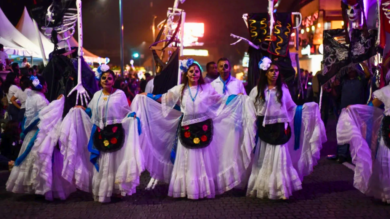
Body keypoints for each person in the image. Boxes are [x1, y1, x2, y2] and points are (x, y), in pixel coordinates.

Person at [134, 59, 251, 199]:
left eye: (197, 71)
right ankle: (187, 188)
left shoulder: (206, 88)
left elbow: (220, 99)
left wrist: (236, 98)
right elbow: (165, 98)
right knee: (187, 160)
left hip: (204, 128)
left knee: (202, 159)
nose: (194, 73)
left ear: (200, 74)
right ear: (186, 74)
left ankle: (203, 188)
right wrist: (148, 96)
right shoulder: (180, 89)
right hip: (187, 128)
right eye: (191, 71)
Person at [62, 67, 144, 203]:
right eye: (104, 78)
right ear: (100, 80)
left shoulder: (120, 95)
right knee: (102, 161)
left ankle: (116, 190)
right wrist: (82, 109)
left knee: (114, 161)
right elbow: (91, 111)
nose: (106, 80)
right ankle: (103, 190)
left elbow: (125, 111)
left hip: (115, 134)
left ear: (114, 81)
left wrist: (132, 116)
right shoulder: (96, 95)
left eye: (109, 78)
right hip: (100, 134)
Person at [246, 57, 312, 200]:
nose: (274, 73)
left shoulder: (283, 90)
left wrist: (305, 109)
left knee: (280, 158)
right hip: (264, 129)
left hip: (280, 129)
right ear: (265, 73)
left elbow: (291, 108)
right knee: (263, 158)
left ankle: (280, 188)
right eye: (271, 70)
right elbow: (250, 108)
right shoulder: (257, 90)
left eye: (276, 71)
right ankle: (263, 186)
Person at [6, 76, 73, 200]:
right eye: (46, 84)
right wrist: (58, 103)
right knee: (43, 161)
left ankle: (33, 186)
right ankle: (44, 188)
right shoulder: (40, 99)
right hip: (39, 134)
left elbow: (28, 115)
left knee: (30, 161)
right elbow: (44, 116)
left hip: (30, 134)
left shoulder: (30, 96)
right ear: (43, 86)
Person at [334, 64, 371, 163]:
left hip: (358, 112)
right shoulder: (343, 81)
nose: (351, 70)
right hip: (345, 111)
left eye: (353, 68)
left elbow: (368, 74)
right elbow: (336, 94)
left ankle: (357, 153)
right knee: (343, 132)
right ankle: (342, 154)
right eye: (349, 68)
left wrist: (362, 62)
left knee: (357, 133)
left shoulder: (360, 79)